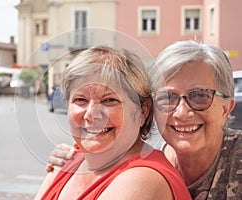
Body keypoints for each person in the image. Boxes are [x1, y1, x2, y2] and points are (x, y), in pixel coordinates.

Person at [47, 41, 242, 199]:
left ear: (226, 108)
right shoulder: (152, 152)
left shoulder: (145, 176)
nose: (182, 112)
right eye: (168, 98)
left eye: (200, 96)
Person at [35, 46, 191, 200]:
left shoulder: (141, 180)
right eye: (80, 100)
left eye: (109, 100)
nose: (91, 114)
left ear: (142, 112)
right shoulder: (66, 163)